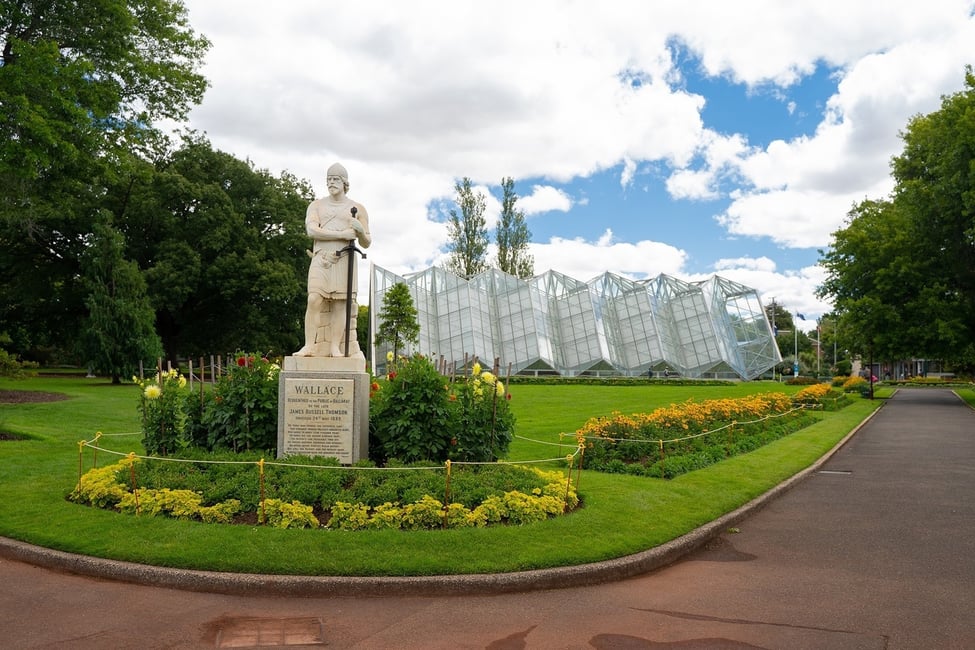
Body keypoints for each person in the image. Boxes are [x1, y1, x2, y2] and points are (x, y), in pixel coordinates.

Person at [294, 163, 371, 357]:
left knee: (340, 304)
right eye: (328, 179)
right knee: (313, 299)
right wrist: (342, 234)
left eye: (335, 179)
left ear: (345, 182)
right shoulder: (316, 206)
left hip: (345, 259)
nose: (331, 183)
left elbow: (367, 242)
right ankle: (309, 345)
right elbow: (312, 230)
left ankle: (334, 347)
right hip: (321, 258)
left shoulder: (358, 208)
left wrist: (360, 231)